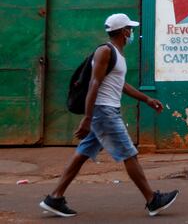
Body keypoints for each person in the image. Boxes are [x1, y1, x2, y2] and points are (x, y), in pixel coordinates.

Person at [39, 13, 178, 217]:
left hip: (105, 111)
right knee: (129, 154)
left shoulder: (117, 54)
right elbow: (94, 84)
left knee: (81, 155)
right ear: (123, 32)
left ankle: (55, 198)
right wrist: (87, 117)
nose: (132, 32)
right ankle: (152, 200)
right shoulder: (105, 52)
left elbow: (121, 85)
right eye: (130, 29)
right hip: (104, 112)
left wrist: (146, 99)